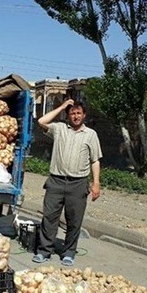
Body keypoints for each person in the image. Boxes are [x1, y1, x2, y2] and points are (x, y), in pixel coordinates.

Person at [32, 99, 102, 266]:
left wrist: (96, 183)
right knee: (49, 217)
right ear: (68, 115)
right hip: (56, 181)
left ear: (84, 115)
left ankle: (69, 252)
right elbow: (41, 121)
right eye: (72, 113)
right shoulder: (59, 129)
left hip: (78, 184)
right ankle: (44, 251)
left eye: (79, 113)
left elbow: (95, 160)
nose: (76, 116)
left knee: (74, 219)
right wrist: (62, 106)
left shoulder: (91, 135)